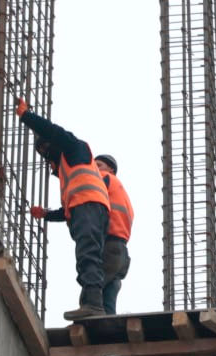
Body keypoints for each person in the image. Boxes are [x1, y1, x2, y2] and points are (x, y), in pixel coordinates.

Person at [16, 97, 110, 320]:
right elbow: (68, 208)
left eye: (45, 148)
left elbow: (53, 131)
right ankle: (91, 304)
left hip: (89, 207)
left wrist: (27, 117)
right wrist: (47, 214)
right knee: (88, 255)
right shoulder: (69, 168)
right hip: (89, 208)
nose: (45, 154)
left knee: (88, 254)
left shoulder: (74, 148)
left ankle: (94, 305)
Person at [31, 153, 133, 314]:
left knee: (91, 291)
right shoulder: (119, 190)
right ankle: (108, 324)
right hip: (120, 252)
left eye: (99, 165)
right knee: (108, 296)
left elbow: (81, 202)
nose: (94, 169)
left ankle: (88, 317)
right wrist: (46, 214)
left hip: (108, 245)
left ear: (111, 169)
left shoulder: (103, 179)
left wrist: (47, 214)